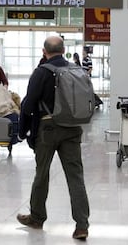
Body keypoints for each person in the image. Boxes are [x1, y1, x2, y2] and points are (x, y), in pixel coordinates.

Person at [16, 36, 90, 240]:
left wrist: (22, 132)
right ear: (64, 50)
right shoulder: (76, 70)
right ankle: (82, 225)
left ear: (44, 51)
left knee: (42, 174)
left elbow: (28, 105)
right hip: (73, 128)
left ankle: (37, 217)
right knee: (75, 176)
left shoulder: (42, 72)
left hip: (48, 128)